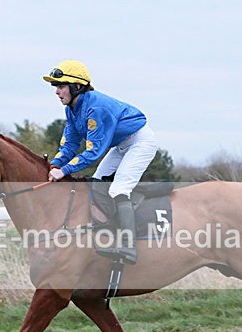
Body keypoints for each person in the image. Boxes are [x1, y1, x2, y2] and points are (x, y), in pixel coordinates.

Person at [43, 59, 159, 264]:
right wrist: (54, 165)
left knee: (118, 189)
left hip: (140, 142)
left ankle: (129, 247)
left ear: (76, 87)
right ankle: (108, 233)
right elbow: (70, 145)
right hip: (121, 145)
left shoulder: (96, 108)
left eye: (60, 86)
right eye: (56, 87)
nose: (57, 92)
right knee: (97, 184)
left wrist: (64, 171)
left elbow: (94, 151)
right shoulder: (72, 109)